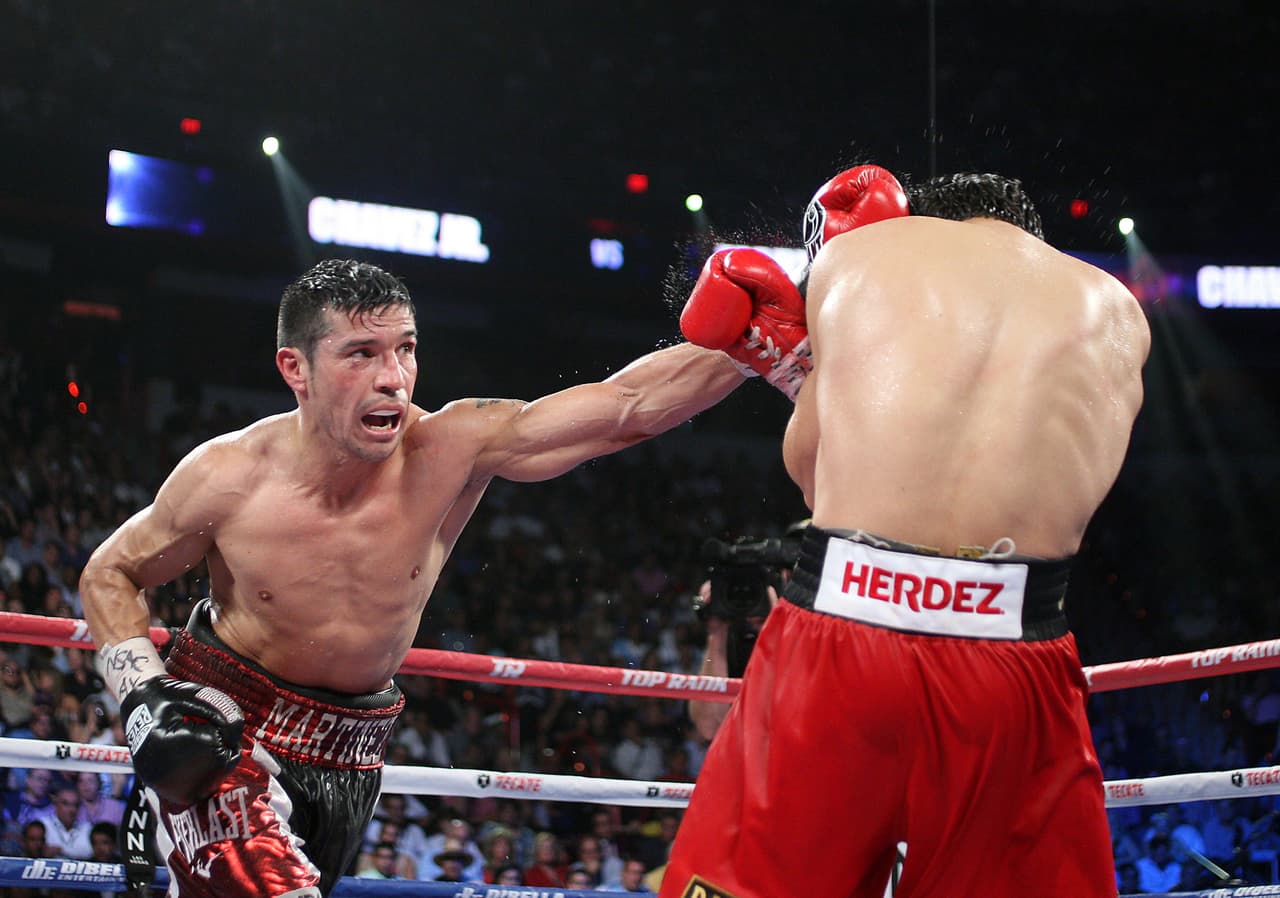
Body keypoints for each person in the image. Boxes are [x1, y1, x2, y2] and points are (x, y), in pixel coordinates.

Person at [79, 258, 744, 898]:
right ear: (296, 368)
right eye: (361, 354)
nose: (394, 377)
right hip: (229, 733)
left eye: (405, 349)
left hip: (355, 753)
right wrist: (143, 699)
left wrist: (766, 333)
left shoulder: (451, 449)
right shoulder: (228, 477)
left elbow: (628, 405)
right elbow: (110, 571)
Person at [666, 166, 1150, 897]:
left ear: (920, 218)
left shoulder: (862, 256)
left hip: (848, 625)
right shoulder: (1117, 310)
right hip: (1016, 654)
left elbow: (812, 474)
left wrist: (800, 371)